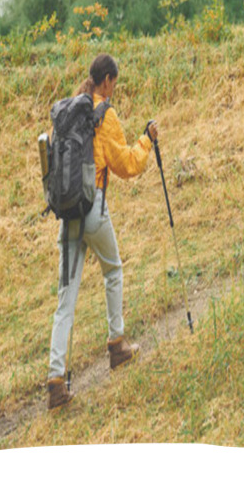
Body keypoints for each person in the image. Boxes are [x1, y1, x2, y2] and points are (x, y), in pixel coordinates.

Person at [46, 53, 158, 411]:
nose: (114, 90)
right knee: (113, 270)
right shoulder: (103, 114)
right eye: (115, 83)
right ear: (107, 80)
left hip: (68, 215)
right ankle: (117, 345)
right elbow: (126, 165)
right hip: (93, 209)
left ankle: (55, 381)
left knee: (66, 298)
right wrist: (147, 141)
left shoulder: (69, 112)